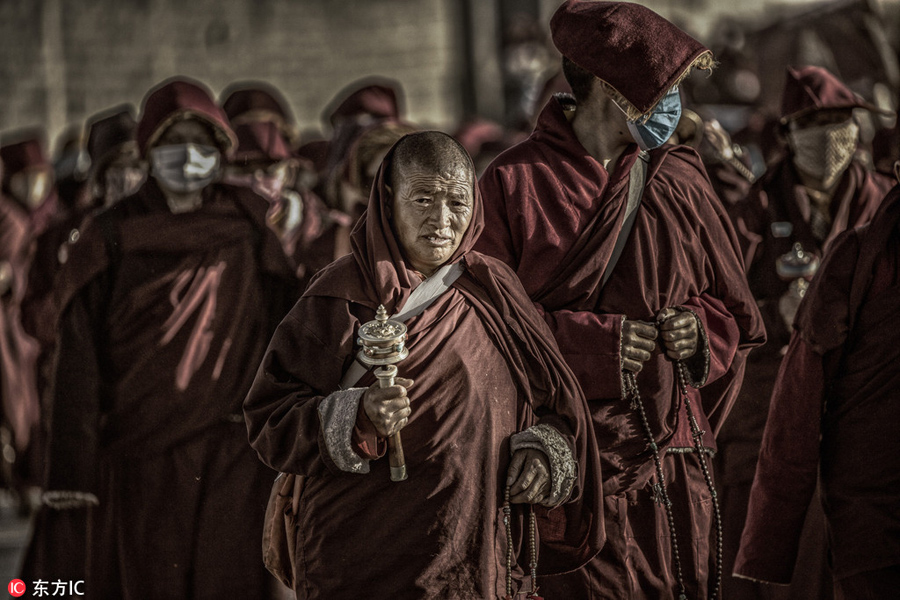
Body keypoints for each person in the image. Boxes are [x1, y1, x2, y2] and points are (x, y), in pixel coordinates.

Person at [474, 2, 765, 598]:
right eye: (667, 90)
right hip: (573, 467)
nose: (679, 106)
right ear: (615, 90)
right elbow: (482, 327)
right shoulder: (513, 182)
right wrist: (593, 343)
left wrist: (700, 330)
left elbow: (736, 313)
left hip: (674, 461)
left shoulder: (680, 177)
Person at [243, 130, 604, 599]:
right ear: (388, 199)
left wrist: (542, 451)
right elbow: (269, 416)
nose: (442, 220)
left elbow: (556, 405)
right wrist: (355, 417)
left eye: (458, 202)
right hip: (363, 556)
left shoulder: (494, 290)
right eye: (424, 198)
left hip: (473, 549)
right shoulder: (341, 295)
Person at [35, 77, 299, 598]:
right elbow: (78, 358)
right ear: (150, 150)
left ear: (221, 151)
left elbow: (284, 330)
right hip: (140, 453)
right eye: (173, 142)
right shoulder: (109, 234)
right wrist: (73, 464)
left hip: (230, 447)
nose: (188, 156)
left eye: (202, 144)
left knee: (231, 580)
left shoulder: (247, 229)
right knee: (152, 578)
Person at [719, 65, 895, 599]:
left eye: (841, 122)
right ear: (787, 134)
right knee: (766, 545)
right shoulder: (754, 208)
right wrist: (776, 313)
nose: (830, 138)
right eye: (813, 124)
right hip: (769, 400)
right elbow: (721, 302)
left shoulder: (881, 203)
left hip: (853, 404)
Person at [221, 82, 347, 286]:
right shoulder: (218, 217)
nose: (258, 177)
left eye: (272, 131)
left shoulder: (318, 221)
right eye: (244, 166)